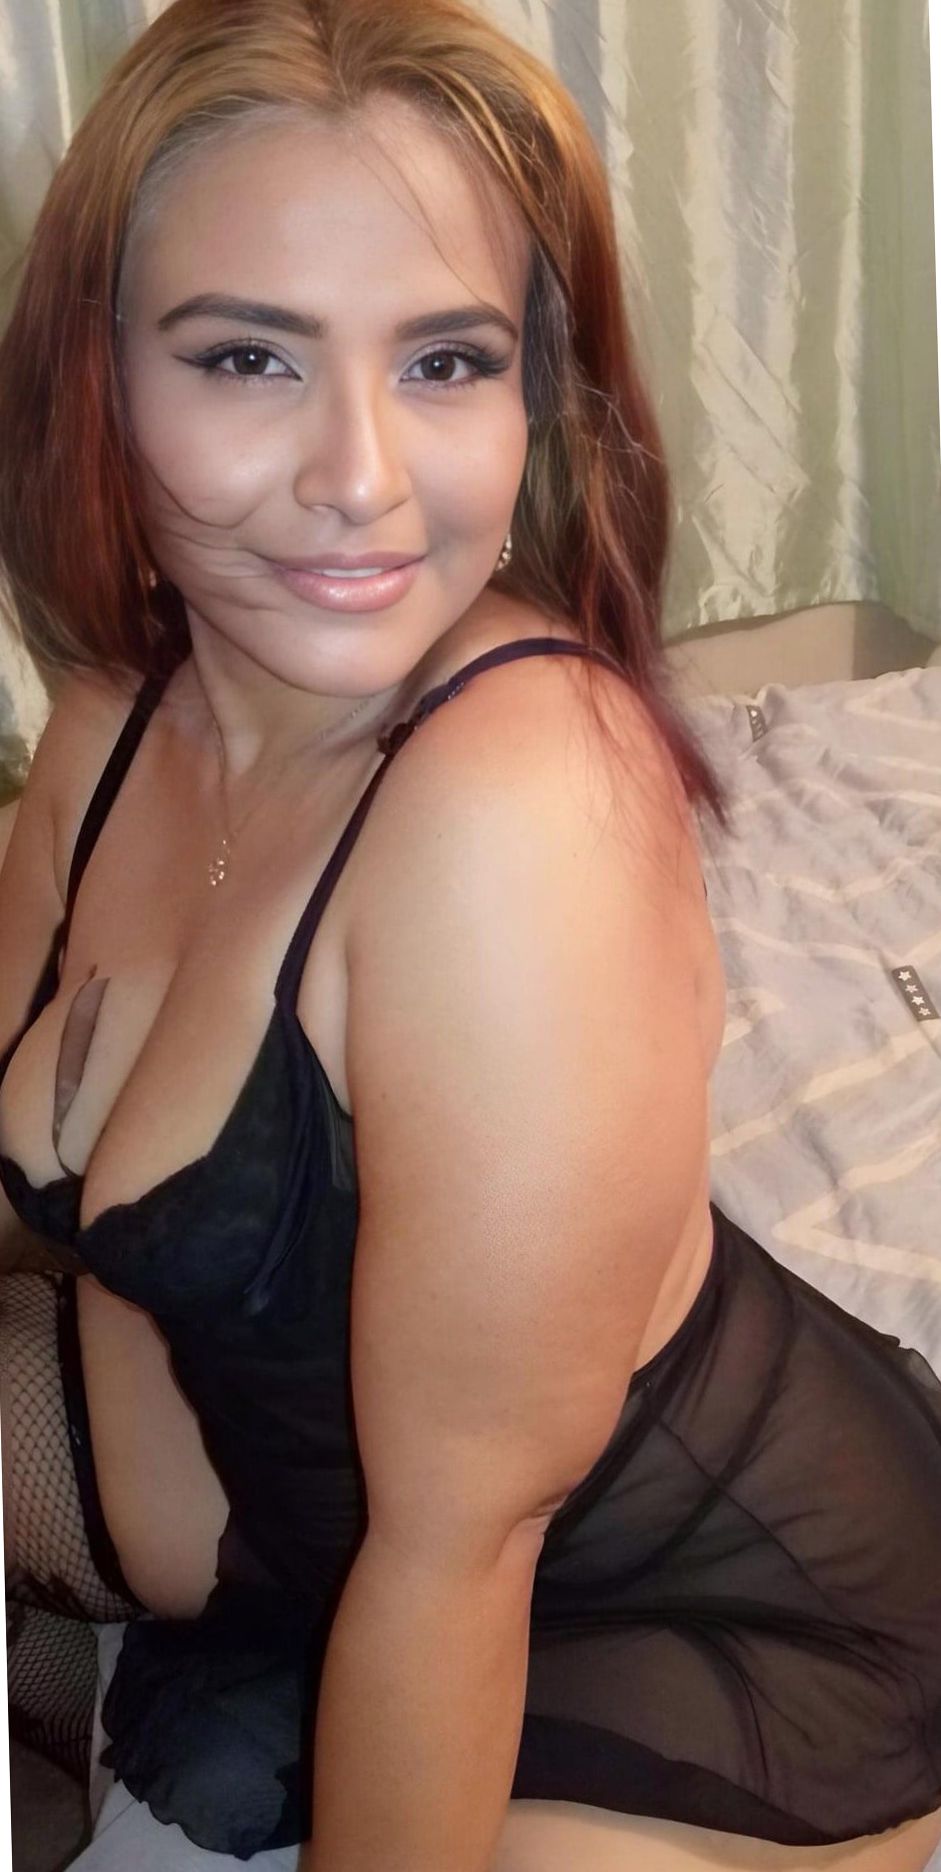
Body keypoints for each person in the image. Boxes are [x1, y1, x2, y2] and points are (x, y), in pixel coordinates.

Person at [1, 2, 941, 1867]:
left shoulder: (517, 809)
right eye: (248, 356)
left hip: (682, 1615)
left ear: (537, 398)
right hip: (275, 1537)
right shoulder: (110, 724)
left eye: (444, 360)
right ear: (95, 377)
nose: (359, 477)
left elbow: (463, 1547)